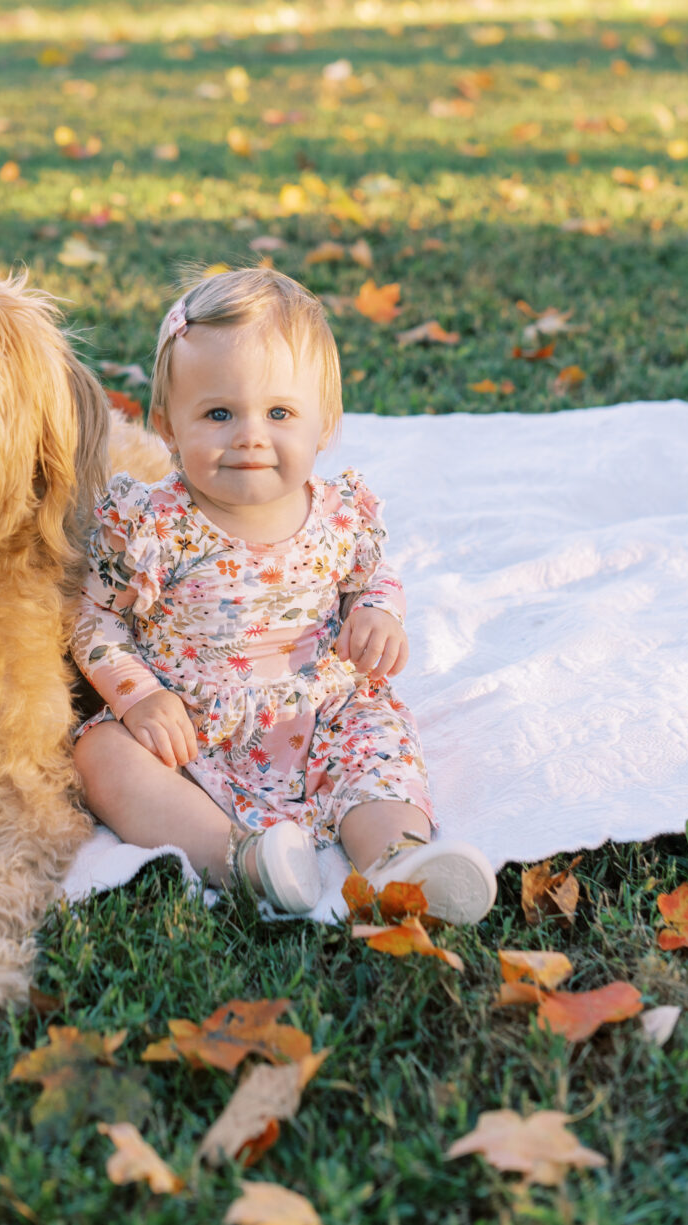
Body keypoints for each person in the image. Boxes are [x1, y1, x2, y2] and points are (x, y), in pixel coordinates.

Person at [71, 268, 496, 922]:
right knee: (99, 756)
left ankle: (395, 857)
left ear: (323, 425)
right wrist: (140, 698)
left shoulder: (337, 513)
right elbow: (96, 623)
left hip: (321, 708)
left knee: (377, 738)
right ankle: (241, 857)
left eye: (278, 413)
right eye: (217, 413)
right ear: (165, 424)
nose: (249, 435)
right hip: (194, 725)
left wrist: (377, 613)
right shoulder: (150, 525)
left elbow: (369, 575)